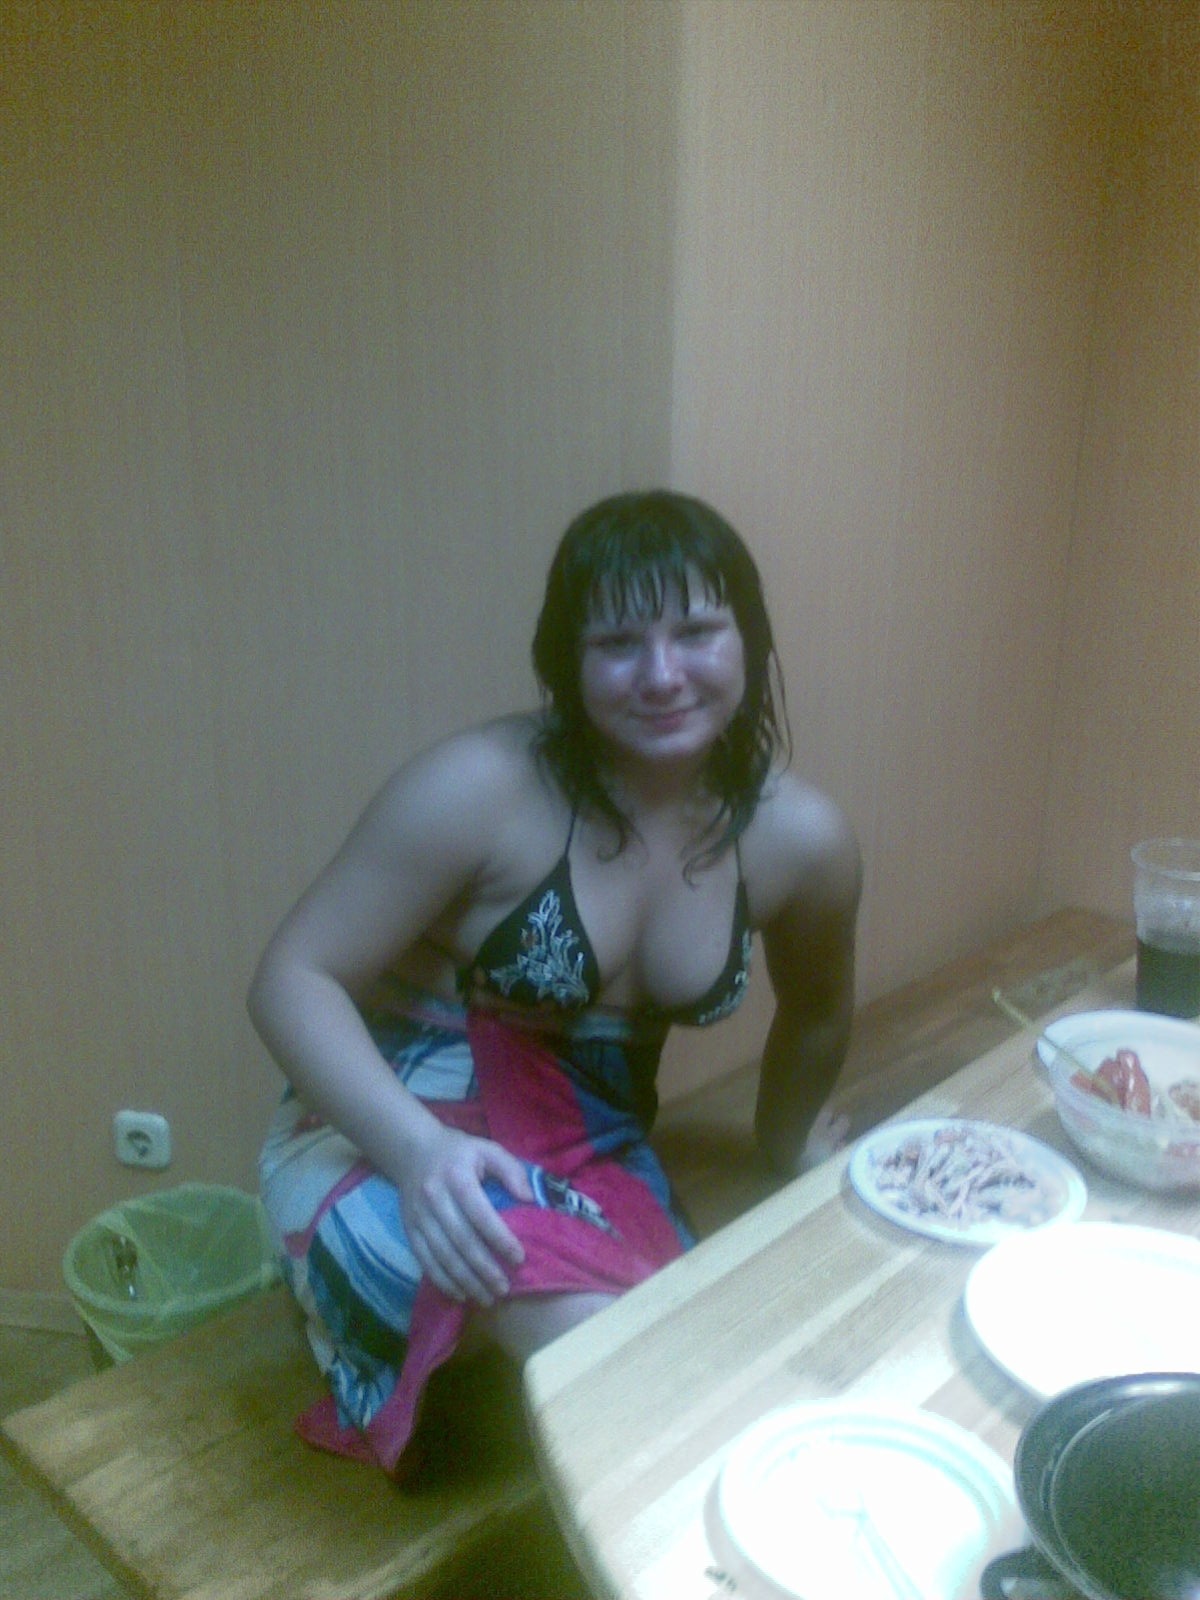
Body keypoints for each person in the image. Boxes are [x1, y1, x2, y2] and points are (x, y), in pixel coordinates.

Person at [249, 489, 861, 1474]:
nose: (661, 674)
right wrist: (419, 1154)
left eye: (697, 631)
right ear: (565, 661)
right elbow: (292, 976)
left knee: (683, 1336)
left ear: (749, 638)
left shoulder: (802, 840)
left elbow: (820, 1009)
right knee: (627, 1363)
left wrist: (786, 1142)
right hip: (382, 1134)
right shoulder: (477, 787)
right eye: (617, 642)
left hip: (591, 1146)